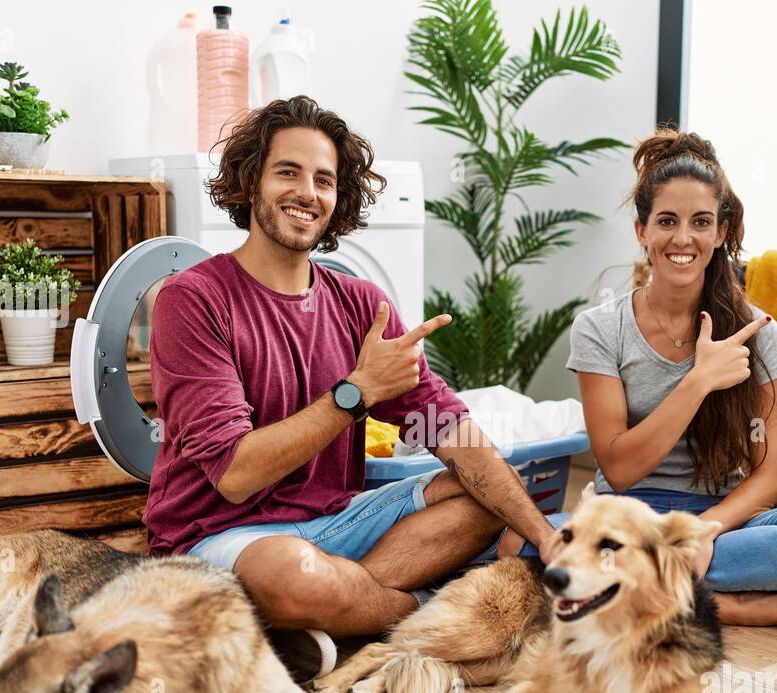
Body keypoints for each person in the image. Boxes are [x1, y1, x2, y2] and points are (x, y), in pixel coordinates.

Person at [143, 96, 559, 638]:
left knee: (487, 493)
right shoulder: (194, 299)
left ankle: (334, 611)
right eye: (287, 172)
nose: (306, 193)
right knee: (295, 576)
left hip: (337, 522)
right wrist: (356, 392)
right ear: (249, 183)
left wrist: (547, 538)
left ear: (338, 200)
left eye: (324, 180)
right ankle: (412, 610)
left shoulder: (362, 303)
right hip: (221, 534)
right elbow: (236, 477)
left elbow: (450, 430)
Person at [563, 127, 777, 629]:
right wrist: (698, 381)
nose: (683, 239)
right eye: (667, 221)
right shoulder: (598, 329)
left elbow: (768, 479)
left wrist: (699, 534)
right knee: (519, 540)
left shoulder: (758, 331)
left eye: (700, 222)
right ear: (641, 231)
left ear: (720, 233)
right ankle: (731, 606)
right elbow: (618, 469)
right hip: (627, 519)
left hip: (721, 521)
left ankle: (648, 586)